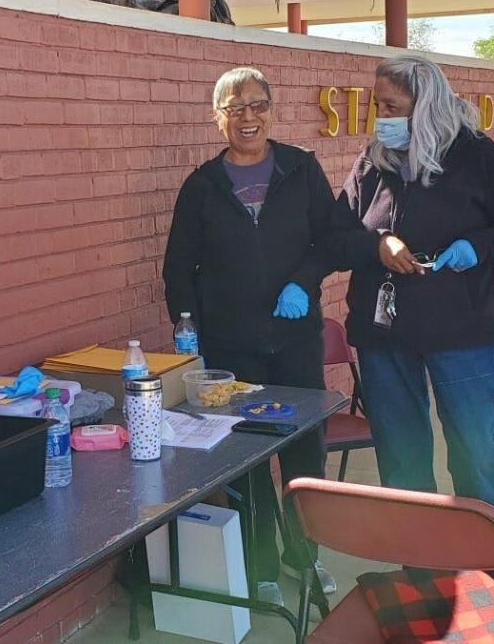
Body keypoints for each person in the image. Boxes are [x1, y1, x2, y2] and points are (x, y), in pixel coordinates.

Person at [329, 54, 494, 525]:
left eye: (391, 106)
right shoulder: (372, 162)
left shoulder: (475, 155)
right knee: (402, 460)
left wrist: (477, 246)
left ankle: (492, 575)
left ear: (424, 104)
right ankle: (421, 573)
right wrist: (377, 245)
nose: (381, 117)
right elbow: (334, 236)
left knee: (475, 455)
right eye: (377, 106)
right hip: (384, 339)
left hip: (462, 334)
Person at [162, 67, 337, 605]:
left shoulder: (301, 170)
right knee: (248, 457)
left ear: (272, 110)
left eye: (257, 105)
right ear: (218, 118)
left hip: (295, 338)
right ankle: (260, 562)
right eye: (235, 108)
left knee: (306, 450)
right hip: (232, 348)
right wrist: (186, 328)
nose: (248, 118)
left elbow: (330, 240)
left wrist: (303, 283)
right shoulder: (202, 186)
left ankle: (304, 556)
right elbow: (177, 268)